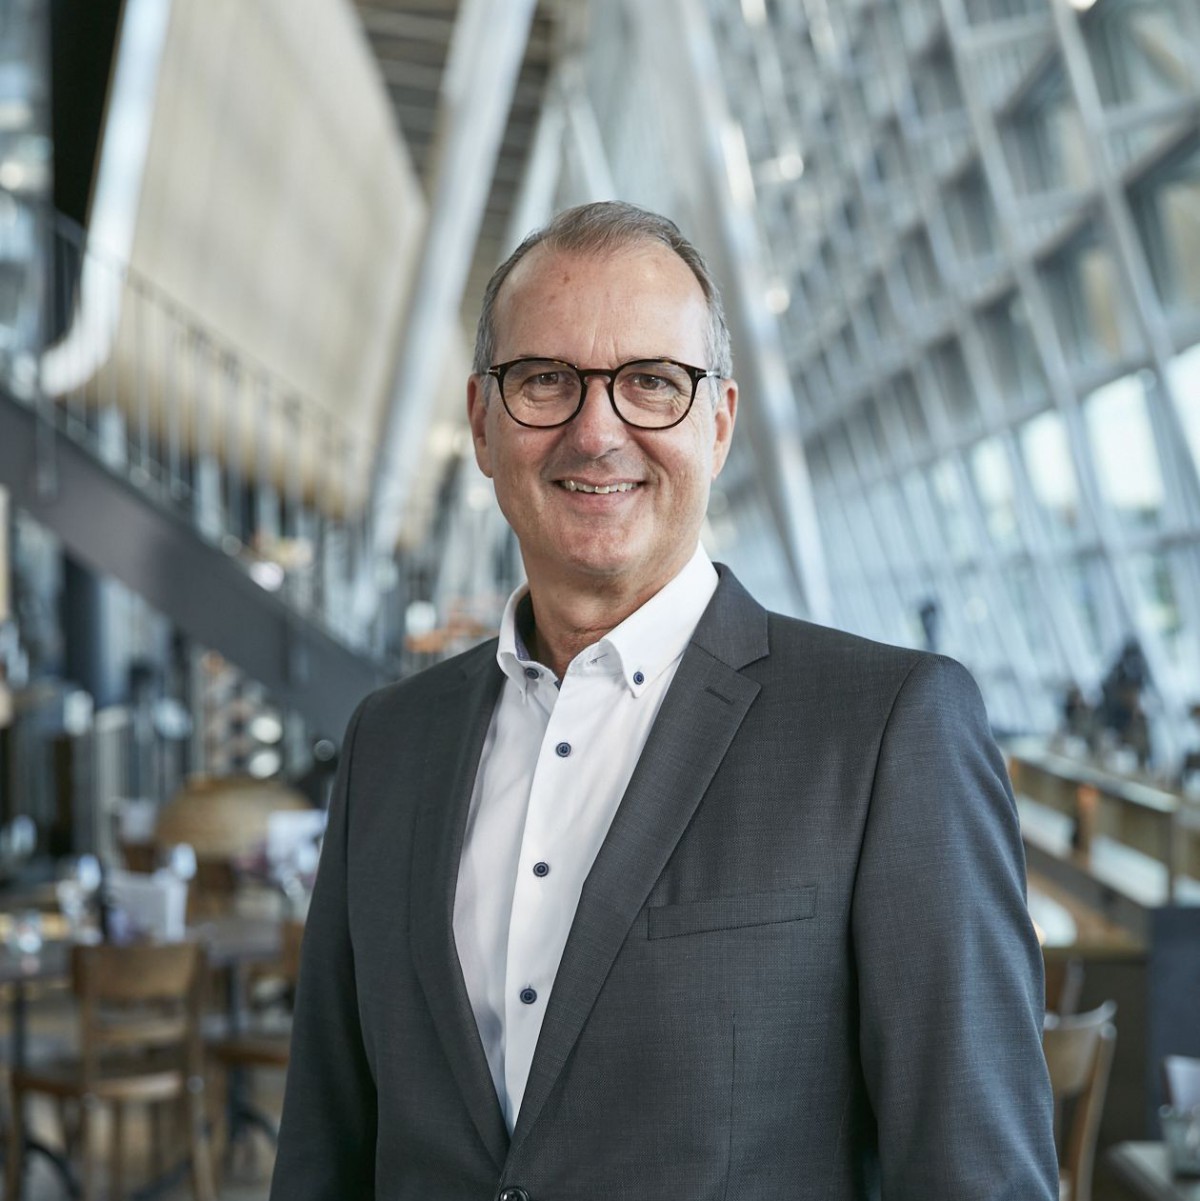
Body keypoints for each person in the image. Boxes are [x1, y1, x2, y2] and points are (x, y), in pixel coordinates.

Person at [270, 202, 1057, 1200]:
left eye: (652, 382)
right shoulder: (390, 741)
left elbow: (974, 1177)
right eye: (545, 380)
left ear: (718, 422)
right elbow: (325, 1154)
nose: (597, 432)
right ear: (481, 421)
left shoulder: (887, 730)